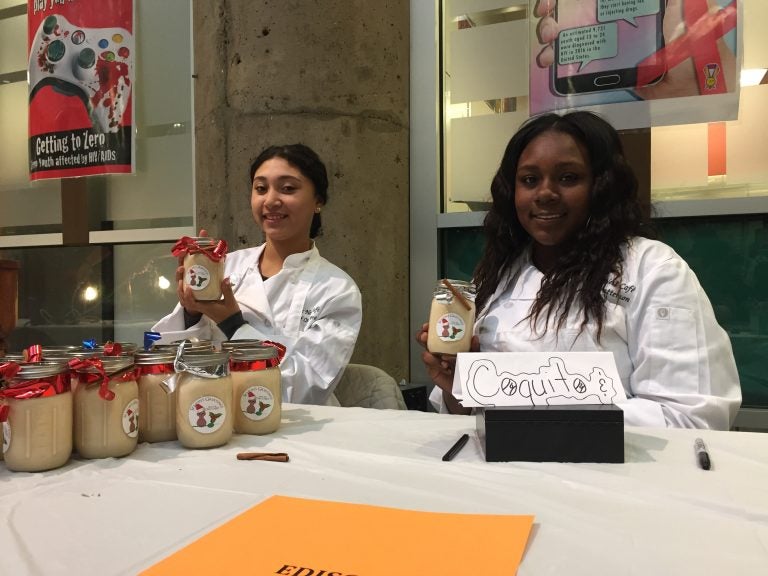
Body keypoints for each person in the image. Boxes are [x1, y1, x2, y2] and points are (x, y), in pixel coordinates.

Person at [417, 111, 741, 429]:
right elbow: (470, 417)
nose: (545, 193)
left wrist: (539, 417)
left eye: (568, 178)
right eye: (529, 180)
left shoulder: (653, 269)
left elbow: (691, 415)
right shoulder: (495, 278)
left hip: (612, 476)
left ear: (602, 186)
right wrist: (458, 386)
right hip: (497, 469)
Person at [153, 144, 362, 405]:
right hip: (214, 410)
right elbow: (173, 361)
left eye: (288, 188)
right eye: (261, 189)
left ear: (318, 200)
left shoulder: (337, 289)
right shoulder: (225, 266)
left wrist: (233, 325)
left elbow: (304, 388)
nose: (271, 201)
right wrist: (191, 313)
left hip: (298, 430)